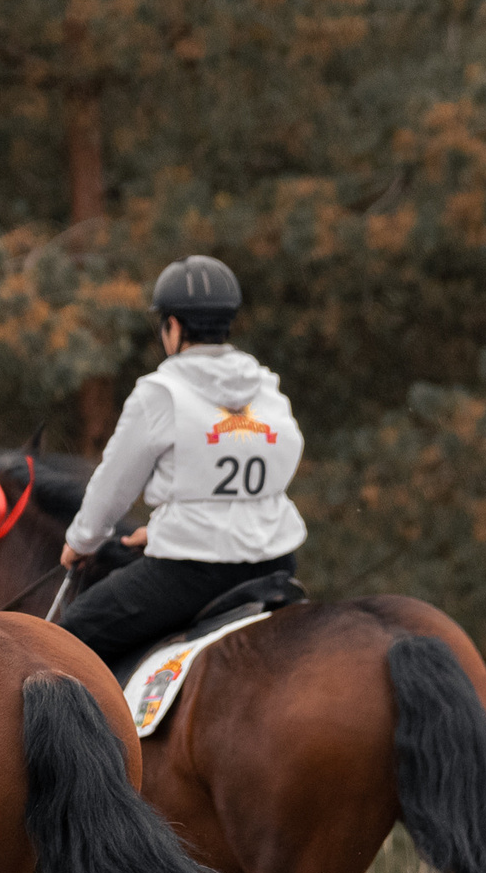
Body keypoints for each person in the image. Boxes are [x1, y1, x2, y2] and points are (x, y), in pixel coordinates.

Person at [56, 255, 306, 665]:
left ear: (172, 326)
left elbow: (114, 485)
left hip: (192, 573)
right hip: (276, 563)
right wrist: (160, 530)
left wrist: (81, 541)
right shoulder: (267, 386)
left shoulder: (160, 392)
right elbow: (272, 467)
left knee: (65, 644)